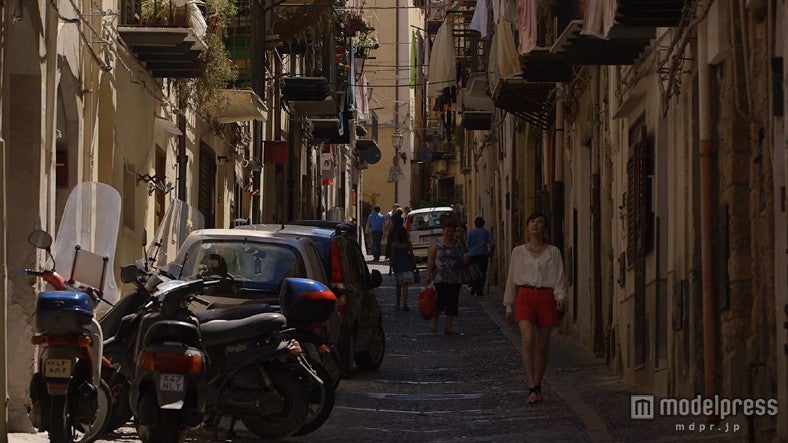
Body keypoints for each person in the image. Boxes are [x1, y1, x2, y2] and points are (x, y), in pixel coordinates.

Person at [503, 211, 567, 404]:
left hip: (546, 297)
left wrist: (560, 295)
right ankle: (531, 385)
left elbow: (559, 275)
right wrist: (509, 305)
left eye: (539, 222)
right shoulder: (518, 252)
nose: (535, 225)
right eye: (532, 221)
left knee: (542, 346)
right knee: (528, 340)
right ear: (527, 226)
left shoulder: (553, 252)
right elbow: (511, 278)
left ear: (545, 227)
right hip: (525, 296)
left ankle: (538, 383)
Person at [425, 218, 468, 335]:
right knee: (440, 300)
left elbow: (463, 257)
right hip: (440, 278)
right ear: (443, 230)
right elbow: (430, 260)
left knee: (453, 302)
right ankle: (434, 321)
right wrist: (428, 276)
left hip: (455, 278)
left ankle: (449, 326)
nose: (449, 233)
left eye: (452, 231)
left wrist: (465, 257)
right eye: (447, 231)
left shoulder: (458, 244)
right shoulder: (436, 243)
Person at [466, 216, 495, 296]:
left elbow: (467, 244)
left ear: (475, 224)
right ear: (483, 224)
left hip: (473, 255)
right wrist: (491, 252)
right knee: (482, 272)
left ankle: (474, 286)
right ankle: (480, 290)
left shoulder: (471, 233)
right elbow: (492, 244)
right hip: (483, 254)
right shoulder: (486, 232)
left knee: (474, 271)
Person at [391, 226, 417, 311]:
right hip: (407, 264)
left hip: (398, 265)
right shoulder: (408, 243)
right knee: (405, 286)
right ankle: (405, 303)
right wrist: (414, 265)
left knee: (398, 285)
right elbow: (412, 255)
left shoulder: (394, 244)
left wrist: (390, 268)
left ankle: (397, 304)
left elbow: (392, 256)